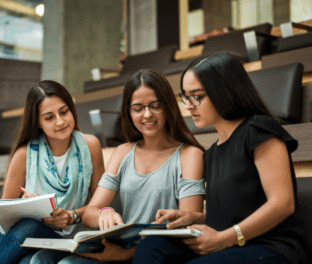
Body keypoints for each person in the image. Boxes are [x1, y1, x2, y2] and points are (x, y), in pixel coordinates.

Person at [133, 53, 311, 264]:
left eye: (196, 96)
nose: (188, 106)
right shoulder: (212, 153)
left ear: (224, 92)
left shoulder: (259, 130)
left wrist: (223, 239)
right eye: (185, 96)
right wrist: (193, 218)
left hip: (272, 247)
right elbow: (235, 213)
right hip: (234, 242)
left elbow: (282, 204)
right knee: (151, 248)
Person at [34, 69, 206, 264]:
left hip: (156, 255)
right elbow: (91, 212)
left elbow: (187, 226)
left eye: (155, 106)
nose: (147, 114)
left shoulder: (189, 154)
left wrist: (125, 255)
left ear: (168, 107)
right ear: (129, 112)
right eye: (138, 108)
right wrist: (103, 213)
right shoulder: (124, 152)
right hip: (118, 250)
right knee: (47, 260)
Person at [0, 80, 105, 264]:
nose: (60, 121)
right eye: (49, 117)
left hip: (67, 240)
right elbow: (4, 218)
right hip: (25, 237)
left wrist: (72, 216)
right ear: (38, 122)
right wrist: (24, 207)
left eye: (64, 112)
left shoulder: (91, 146)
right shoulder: (24, 155)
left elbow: (101, 205)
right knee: (29, 228)